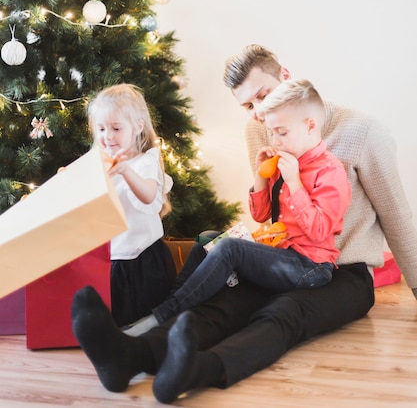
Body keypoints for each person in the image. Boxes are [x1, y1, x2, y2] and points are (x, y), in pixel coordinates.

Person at [72, 44, 417, 404]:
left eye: (262, 97)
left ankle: (199, 369)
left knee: (283, 313)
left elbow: (398, 218)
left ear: (286, 77)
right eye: (247, 106)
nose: (258, 114)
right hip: (287, 256)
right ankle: (128, 357)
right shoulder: (261, 130)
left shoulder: (362, 131)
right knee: (229, 302)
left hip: (342, 272)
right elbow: (265, 211)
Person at [126, 78, 351, 332]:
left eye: (282, 132)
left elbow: (319, 230)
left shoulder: (330, 171)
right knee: (206, 241)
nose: (276, 141)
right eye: (272, 132)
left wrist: (295, 184)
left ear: (310, 126)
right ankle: (166, 311)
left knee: (231, 248)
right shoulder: (285, 163)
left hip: (310, 267)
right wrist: (260, 177)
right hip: (280, 251)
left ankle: (159, 318)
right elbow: (261, 214)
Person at [87, 83, 176, 327]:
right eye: (102, 128)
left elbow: (149, 195)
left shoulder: (146, 160)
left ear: (137, 127)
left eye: (116, 128)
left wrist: (125, 171)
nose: (108, 136)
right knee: (118, 323)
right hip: (114, 258)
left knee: (146, 322)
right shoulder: (100, 162)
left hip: (143, 259)